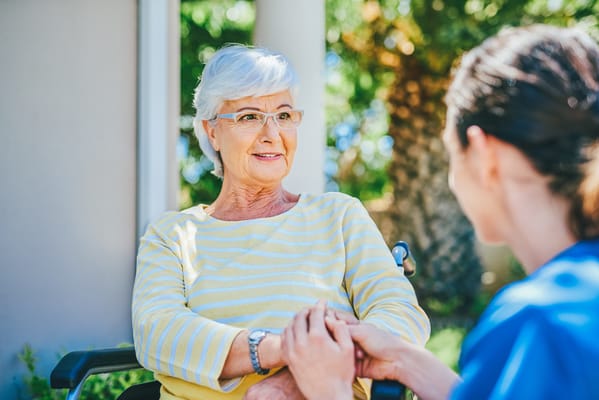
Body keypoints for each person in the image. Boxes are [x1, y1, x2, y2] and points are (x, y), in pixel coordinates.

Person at [282, 23, 599, 400]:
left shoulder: (539, 324)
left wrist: (329, 390)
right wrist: (404, 360)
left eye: (451, 153)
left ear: (484, 155)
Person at [131, 44, 430, 400]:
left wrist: (291, 384)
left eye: (284, 116)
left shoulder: (338, 215)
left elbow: (401, 316)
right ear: (211, 131)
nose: (273, 134)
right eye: (249, 117)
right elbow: (158, 333)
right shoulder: (172, 235)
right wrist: (276, 350)